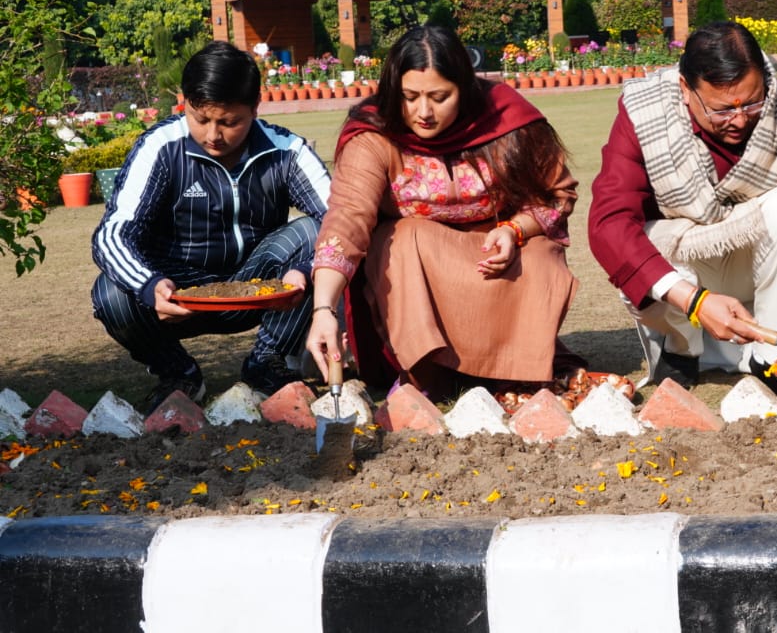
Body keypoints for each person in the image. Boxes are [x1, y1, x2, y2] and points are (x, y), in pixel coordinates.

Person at [588, 20, 777, 389]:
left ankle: (771, 355)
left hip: (754, 263)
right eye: (721, 110)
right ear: (685, 88)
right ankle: (680, 348)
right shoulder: (643, 114)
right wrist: (695, 302)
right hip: (686, 278)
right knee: (634, 246)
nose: (739, 119)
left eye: (752, 102)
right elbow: (608, 222)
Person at [304, 25, 581, 401]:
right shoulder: (374, 134)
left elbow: (556, 196)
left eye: (439, 97)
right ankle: (429, 372)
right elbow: (347, 218)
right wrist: (324, 308)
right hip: (419, 268)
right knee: (404, 237)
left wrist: (516, 229)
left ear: (464, 89)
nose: (424, 113)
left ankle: (515, 370)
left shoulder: (507, 121)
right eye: (410, 97)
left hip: (496, 256)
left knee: (541, 253)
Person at [91, 41, 332, 414]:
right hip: (177, 293)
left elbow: (340, 219)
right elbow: (112, 235)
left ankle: (267, 363)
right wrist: (149, 285)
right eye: (200, 119)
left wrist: (305, 269)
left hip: (257, 288)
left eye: (229, 122)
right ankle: (179, 375)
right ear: (185, 102)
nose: (213, 135)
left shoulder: (286, 151)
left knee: (315, 235)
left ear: (255, 108)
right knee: (110, 292)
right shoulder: (161, 148)